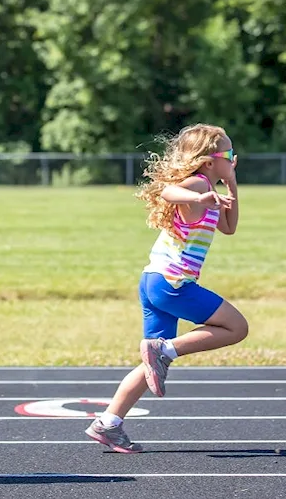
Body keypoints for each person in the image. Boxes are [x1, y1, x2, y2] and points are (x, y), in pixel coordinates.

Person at [85, 124, 249, 453]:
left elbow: (229, 227)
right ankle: (165, 351)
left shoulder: (211, 188)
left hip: (155, 282)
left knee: (152, 362)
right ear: (208, 161)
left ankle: (109, 422)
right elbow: (168, 192)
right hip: (172, 284)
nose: (233, 159)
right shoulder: (199, 184)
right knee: (236, 327)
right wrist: (199, 195)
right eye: (229, 155)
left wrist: (230, 182)